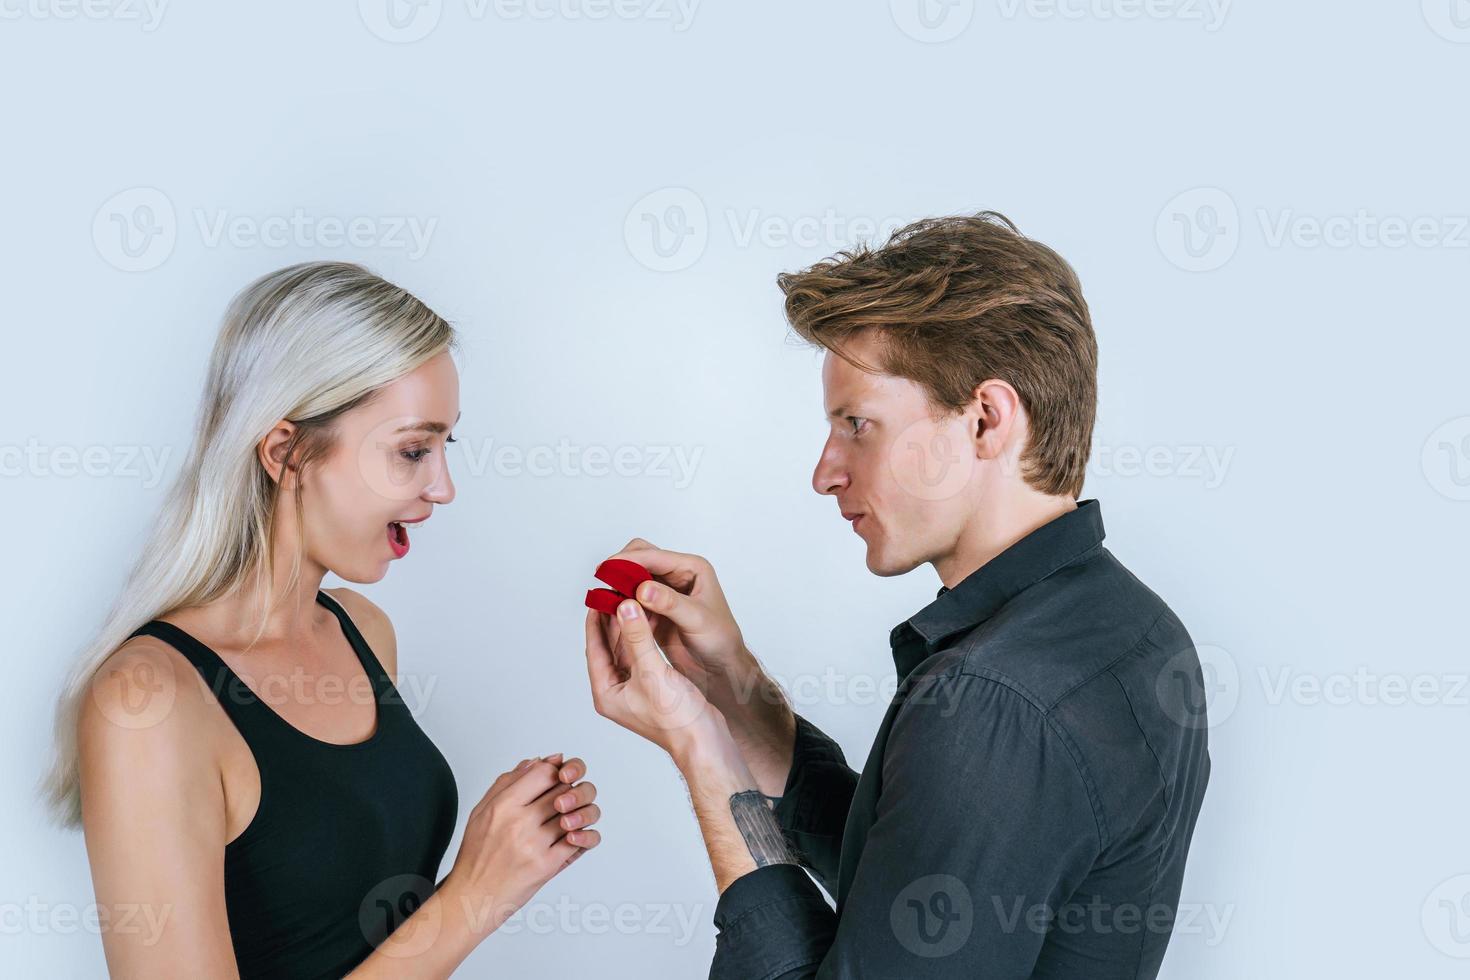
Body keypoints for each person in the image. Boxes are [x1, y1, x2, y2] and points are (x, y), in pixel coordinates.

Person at [584, 213, 1211, 978]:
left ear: (986, 420)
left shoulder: (991, 702)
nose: (826, 471)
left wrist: (703, 753)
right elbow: (931, 893)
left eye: (859, 424)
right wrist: (731, 690)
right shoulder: (1136, 626)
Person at [42, 262, 602, 978]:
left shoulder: (363, 631)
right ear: (286, 452)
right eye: (411, 450)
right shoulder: (147, 701)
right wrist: (477, 894)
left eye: (444, 448)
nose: (444, 487)